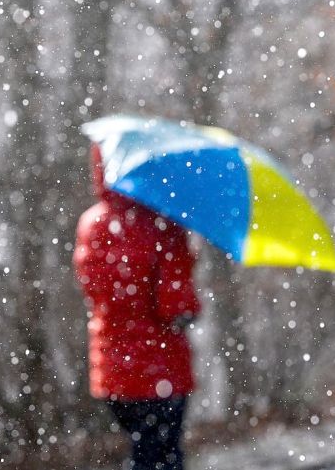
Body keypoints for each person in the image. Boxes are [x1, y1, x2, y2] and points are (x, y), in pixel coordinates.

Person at [74, 144, 202, 470]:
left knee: (141, 450)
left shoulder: (90, 224)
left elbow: (95, 290)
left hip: (114, 372)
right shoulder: (161, 224)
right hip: (160, 368)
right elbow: (177, 309)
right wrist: (187, 258)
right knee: (166, 455)